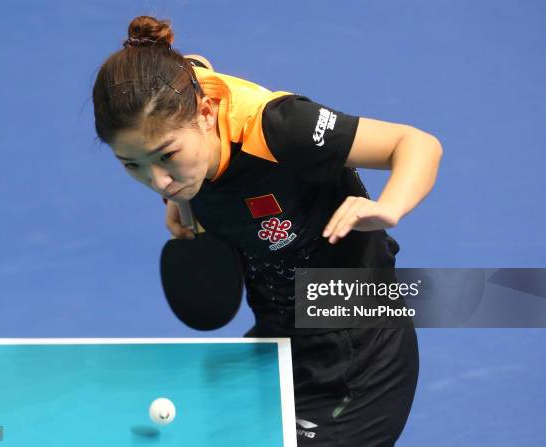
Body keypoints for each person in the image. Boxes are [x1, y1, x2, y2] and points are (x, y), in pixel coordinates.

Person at [92, 15, 442, 446]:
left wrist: (390, 206)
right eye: (132, 165)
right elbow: (196, 68)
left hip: (356, 339)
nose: (156, 179)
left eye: (166, 156)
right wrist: (181, 200)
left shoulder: (279, 127)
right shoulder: (179, 86)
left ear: (205, 112)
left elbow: (416, 144)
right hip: (276, 326)